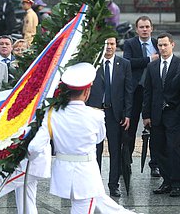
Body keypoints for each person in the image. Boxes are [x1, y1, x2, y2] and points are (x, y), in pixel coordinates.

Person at [29, 62, 136, 214]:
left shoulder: (52, 113)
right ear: (87, 92)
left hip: (63, 173)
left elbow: (34, 147)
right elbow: (100, 138)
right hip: (86, 175)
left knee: (102, 204)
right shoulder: (96, 114)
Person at [87, 37, 133, 197]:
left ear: (116, 46)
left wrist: (128, 114)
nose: (109, 47)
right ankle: (95, 184)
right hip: (95, 113)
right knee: (96, 151)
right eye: (106, 44)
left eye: (112, 44)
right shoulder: (93, 64)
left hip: (115, 114)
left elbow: (129, 90)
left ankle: (114, 185)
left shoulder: (124, 64)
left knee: (115, 150)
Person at [142, 32, 180, 197]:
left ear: (173, 45)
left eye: (165, 45)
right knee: (159, 149)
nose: (163, 48)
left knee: (174, 149)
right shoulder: (152, 66)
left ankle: (177, 183)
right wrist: (146, 115)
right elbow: (148, 92)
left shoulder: (179, 65)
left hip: (174, 115)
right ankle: (166, 181)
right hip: (156, 115)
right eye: (160, 45)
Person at [123, 16, 160, 177]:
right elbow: (127, 62)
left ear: (152, 28)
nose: (144, 30)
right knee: (130, 129)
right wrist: (148, 60)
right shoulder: (130, 44)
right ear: (137, 29)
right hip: (135, 91)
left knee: (155, 128)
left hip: (152, 92)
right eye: (141, 27)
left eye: (147, 27)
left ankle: (155, 164)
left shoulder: (157, 43)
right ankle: (126, 162)